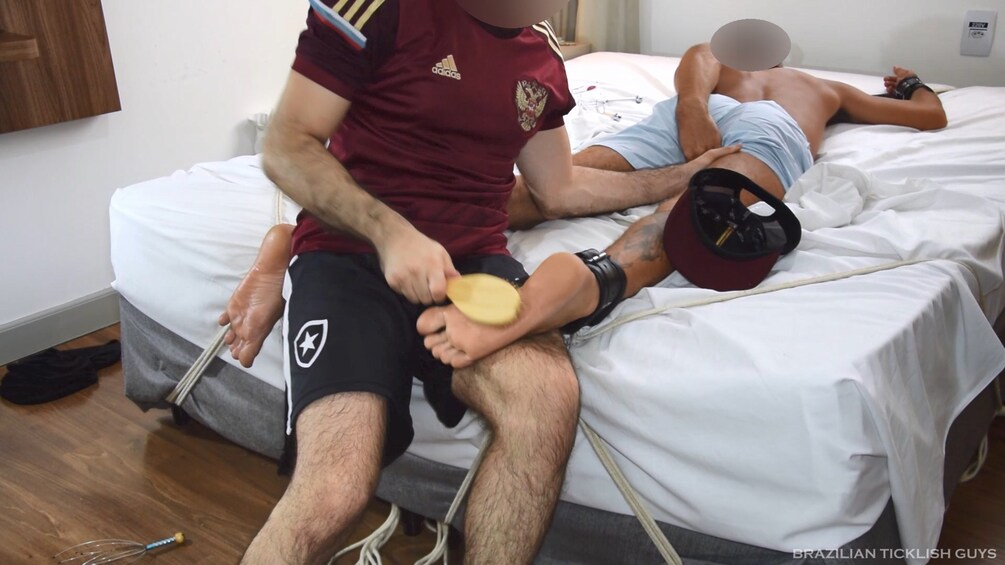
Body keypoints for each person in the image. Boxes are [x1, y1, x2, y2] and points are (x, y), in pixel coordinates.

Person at [230, 4, 738, 564]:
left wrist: (679, 179)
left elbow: (559, 189)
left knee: (545, 402)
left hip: (473, 263)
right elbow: (286, 143)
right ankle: (283, 247)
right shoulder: (384, 10)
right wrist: (389, 232)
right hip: (348, 252)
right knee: (334, 492)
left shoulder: (539, 51)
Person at [416, 42, 948, 368]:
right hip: (748, 125)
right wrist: (911, 84)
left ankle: (429, 220)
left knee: (559, 181)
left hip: (688, 115)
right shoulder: (821, 88)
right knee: (692, 212)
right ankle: (599, 277)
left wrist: (693, 111)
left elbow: (698, 59)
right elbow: (930, 116)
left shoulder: (724, 65)